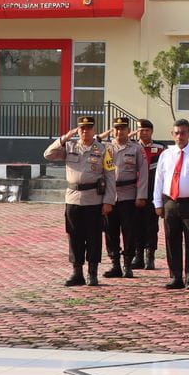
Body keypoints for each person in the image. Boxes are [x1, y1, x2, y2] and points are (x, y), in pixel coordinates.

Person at [43, 115, 115, 287]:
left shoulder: (104, 149)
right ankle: (77, 273)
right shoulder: (70, 146)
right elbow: (48, 154)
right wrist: (64, 137)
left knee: (94, 238)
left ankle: (92, 273)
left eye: (88, 128)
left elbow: (110, 176)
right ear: (78, 130)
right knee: (74, 237)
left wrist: (109, 201)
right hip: (74, 199)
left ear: (94, 130)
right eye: (82, 128)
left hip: (94, 200)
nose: (85, 131)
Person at [153, 119, 189, 289]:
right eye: (177, 133)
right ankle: (175, 276)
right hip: (170, 202)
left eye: (183, 133)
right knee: (172, 240)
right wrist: (157, 202)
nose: (180, 136)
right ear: (172, 134)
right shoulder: (166, 154)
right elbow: (159, 179)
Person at [102, 117, 147, 279]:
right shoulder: (105, 148)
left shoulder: (136, 149)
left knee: (129, 231)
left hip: (129, 195)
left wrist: (141, 195)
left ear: (129, 130)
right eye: (116, 128)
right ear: (112, 130)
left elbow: (143, 173)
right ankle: (115, 265)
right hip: (110, 195)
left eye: (123, 128)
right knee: (110, 231)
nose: (119, 131)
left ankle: (128, 265)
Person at [133, 119, 165, 270]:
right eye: (140, 129)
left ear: (152, 131)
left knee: (151, 226)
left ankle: (150, 256)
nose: (143, 132)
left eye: (147, 130)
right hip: (134, 192)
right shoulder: (132, 147)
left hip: (153, 192)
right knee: (135, 225)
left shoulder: (160, 148)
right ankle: (138, 256)